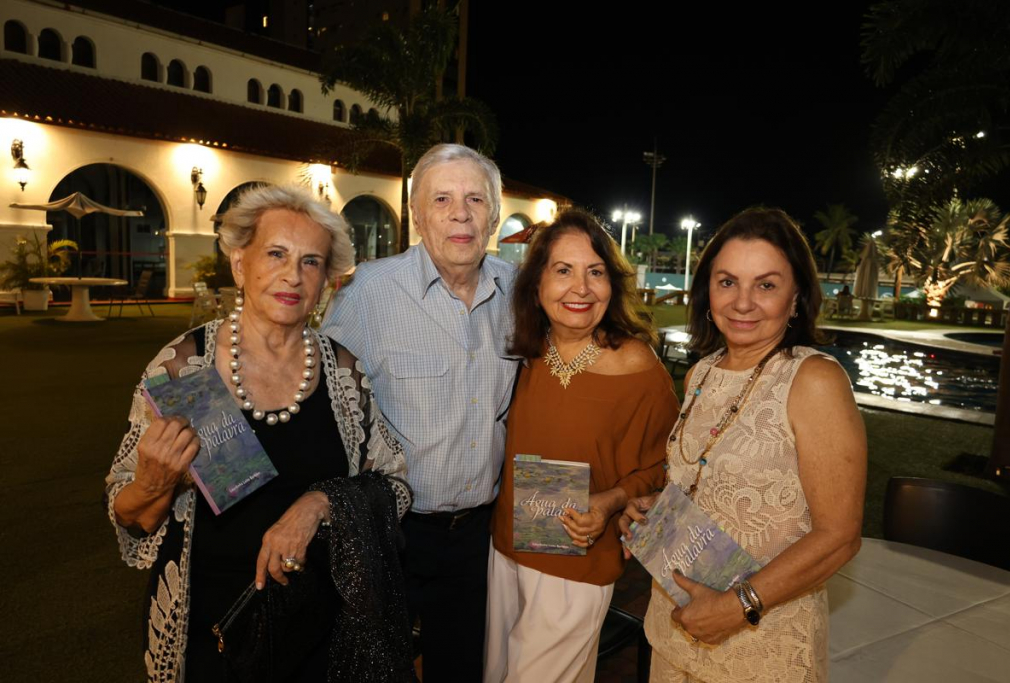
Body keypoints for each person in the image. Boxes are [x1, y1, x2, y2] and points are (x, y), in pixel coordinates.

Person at [105, 184, 414, 682]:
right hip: (215, 626)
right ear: (239, 263)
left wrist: (321, 503)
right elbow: (130, 515)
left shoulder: (344, 372)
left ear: (326, 282)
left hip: (322, 627)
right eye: (276, 254)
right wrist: (154, 482)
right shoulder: (185, 369)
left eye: (311, 262)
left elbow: (395, 484)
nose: (293, 274)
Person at [620, 207, 867, 683]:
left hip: (760, 645)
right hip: (673, 631)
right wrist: (659, 507)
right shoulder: (701, 373)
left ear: (796, 297)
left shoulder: (813, 380)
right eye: (727, 281)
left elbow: (839, 535)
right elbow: (705, 477)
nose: (743, 302)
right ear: (707, 290)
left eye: (767, 285)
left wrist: (739, 607)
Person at [321, 143, 518, 682]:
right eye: (443, 199)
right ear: (417, 213)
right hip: (391, 532)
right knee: (376, 670)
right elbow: (325, 402)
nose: (461, 212)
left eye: (476, 198)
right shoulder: (369, 292)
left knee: (462, 668)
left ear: (494, 214)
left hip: (478, 537)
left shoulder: (519, 294)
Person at [484, 208, 679, 683]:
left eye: (595, 272)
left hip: (576, 551)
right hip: (506, 547)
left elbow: (670, 461)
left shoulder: (634, 363)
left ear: (612, 284)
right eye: (564, 271)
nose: (581, 288)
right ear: (536, 284)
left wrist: (612, 500)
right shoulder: (524, 351)